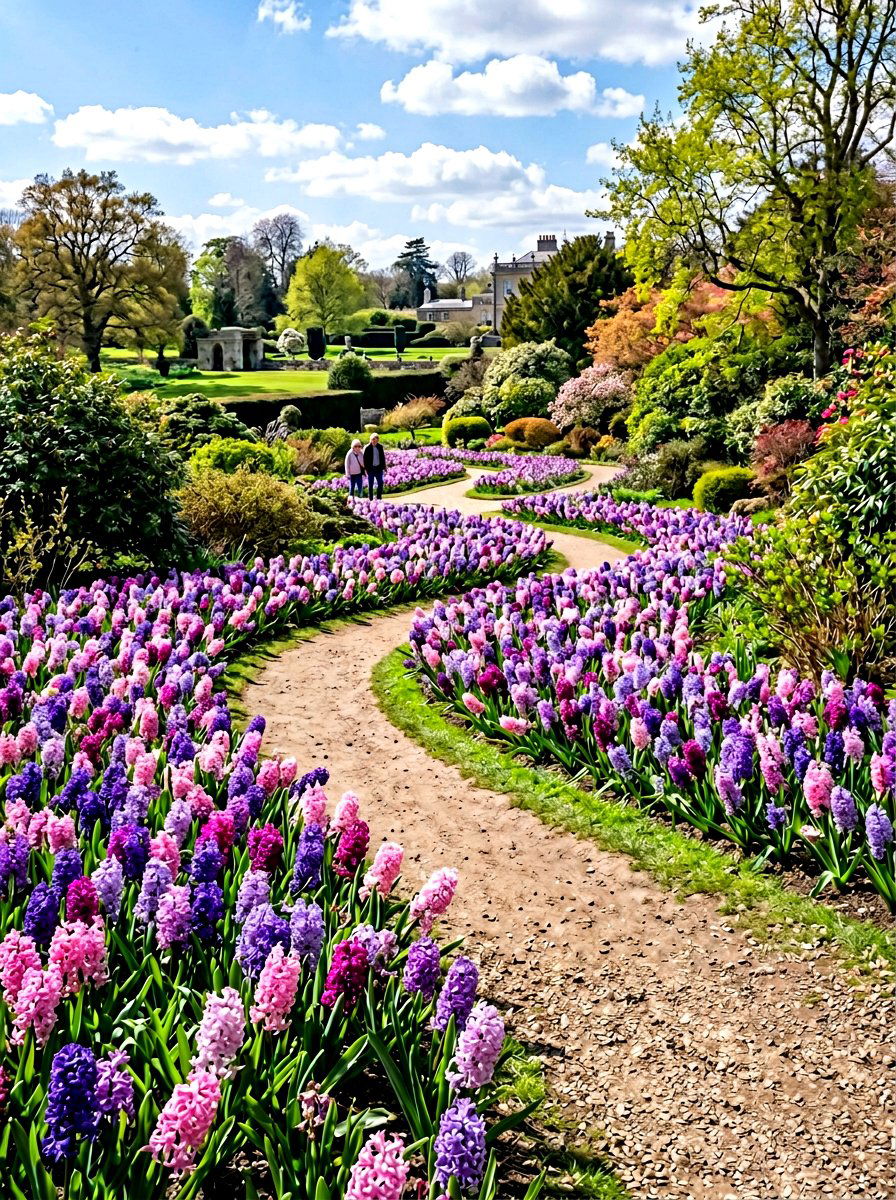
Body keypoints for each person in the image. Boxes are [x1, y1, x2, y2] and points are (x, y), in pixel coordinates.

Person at [363, 432, 387, 500]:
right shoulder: (367, 448)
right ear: (370, 440)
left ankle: (379, 497)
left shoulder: (380, 447)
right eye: (373, 439)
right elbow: (364, 459)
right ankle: (370, 498)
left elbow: (382, 457)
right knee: (371, 484)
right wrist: (365, 469)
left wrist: (385, 467)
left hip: (379, 468)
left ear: (378, 440)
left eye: (376, 440)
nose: (374, 441)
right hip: (371, 469)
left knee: (380, 483)